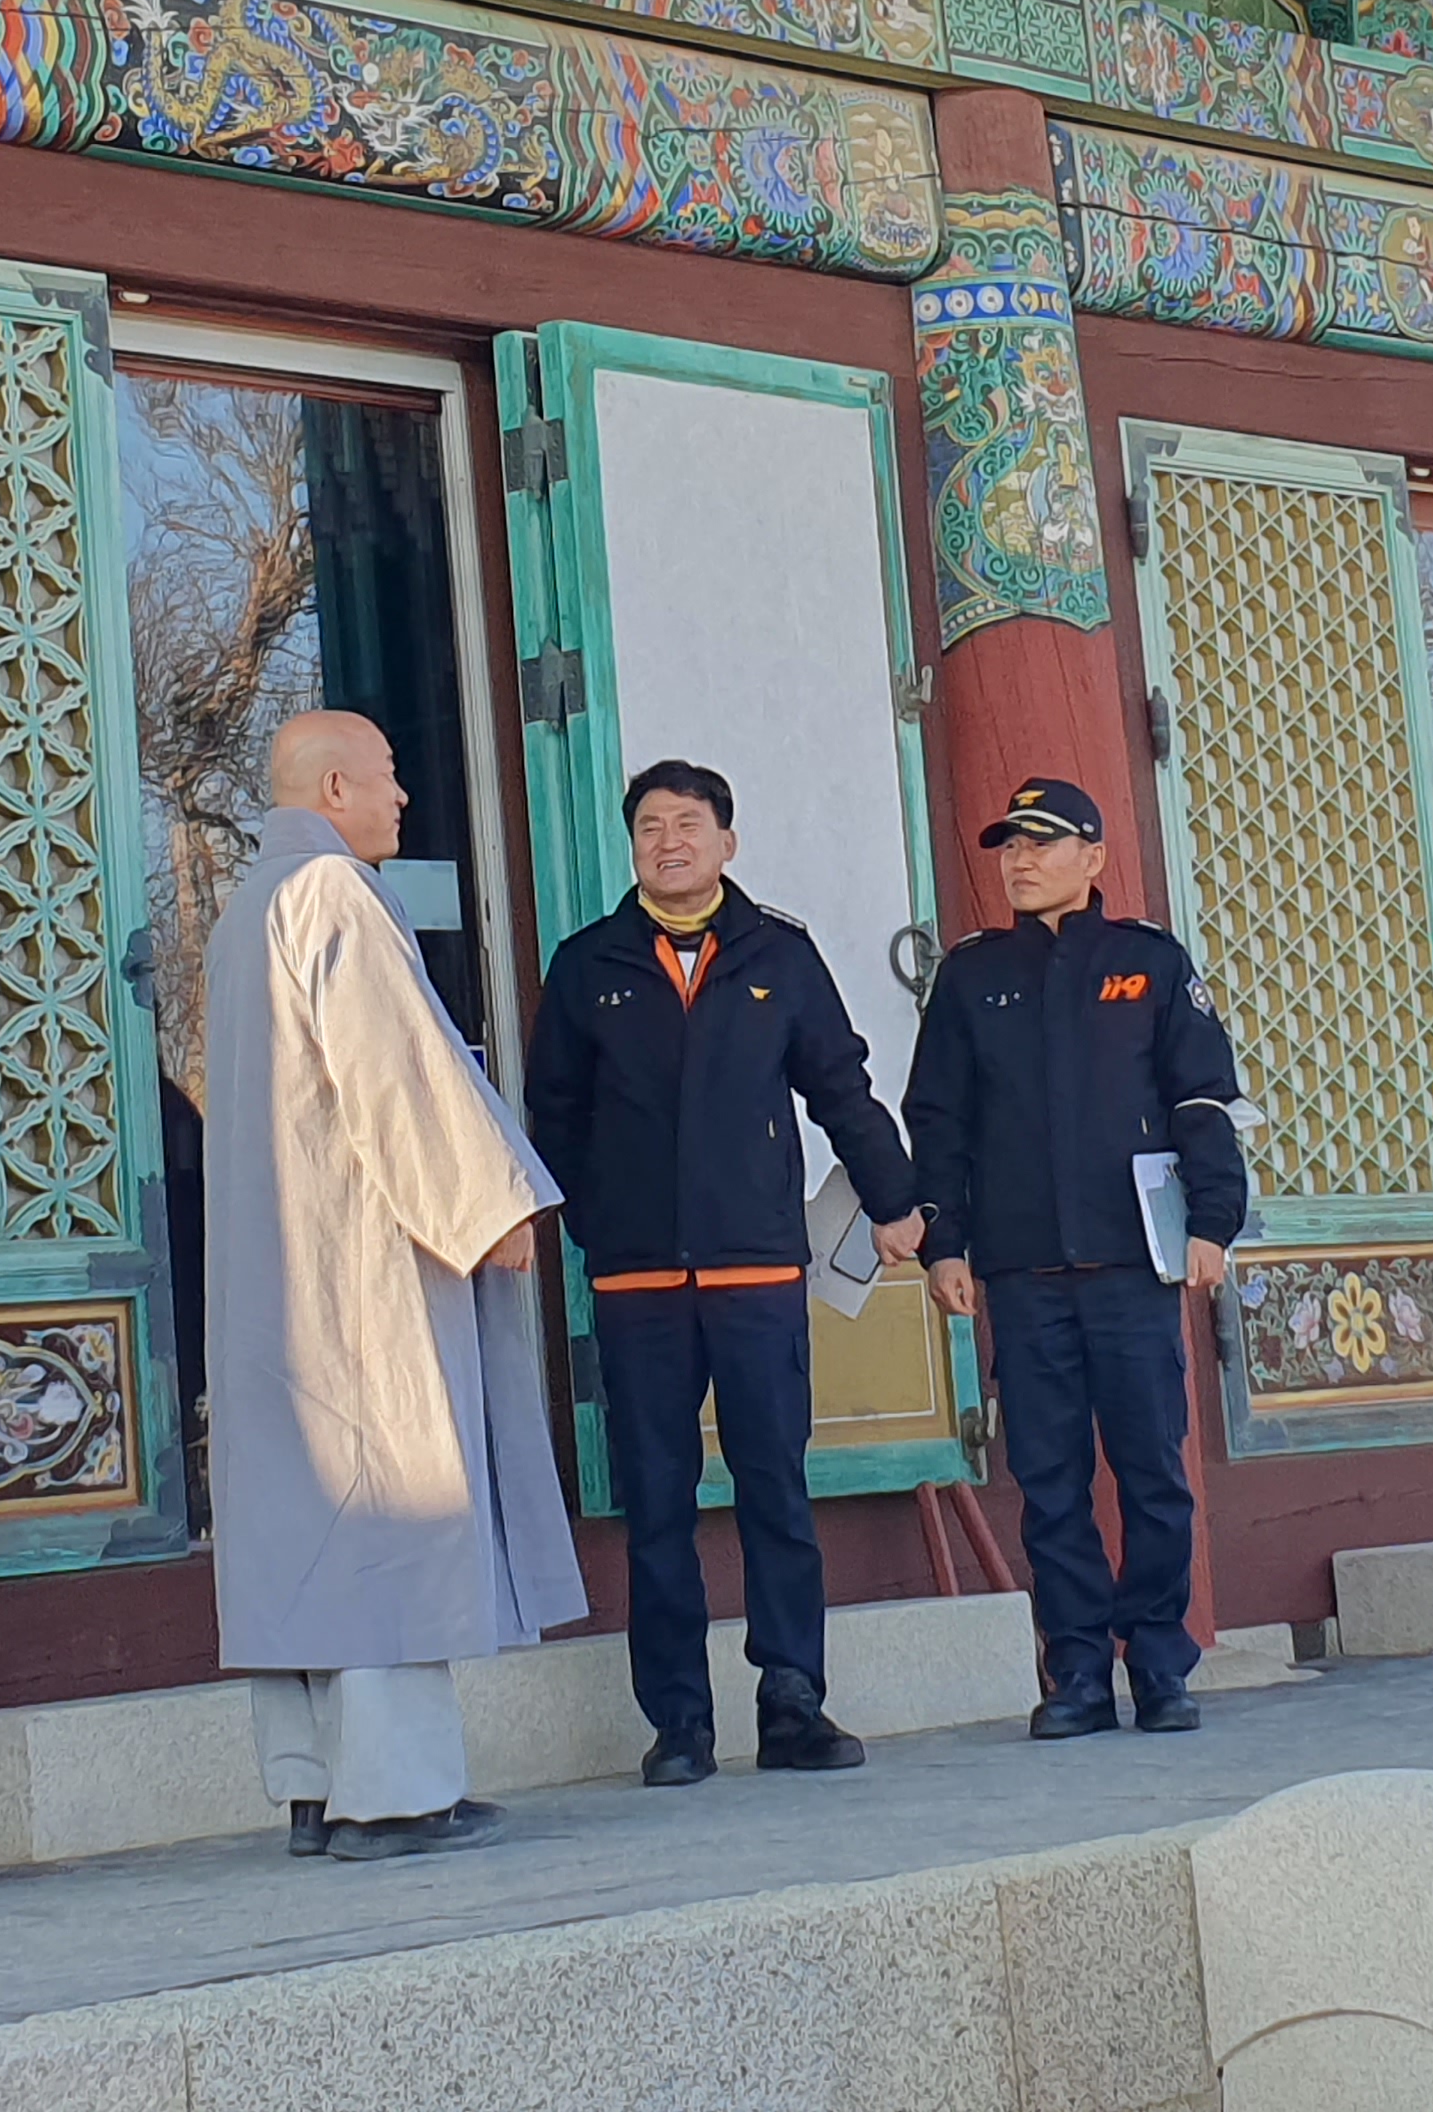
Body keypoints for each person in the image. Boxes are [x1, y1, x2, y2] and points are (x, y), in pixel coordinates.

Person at [205, 708, 586, 1859]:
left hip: (279, 1276)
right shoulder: (333, 894)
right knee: (382, 1512)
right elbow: (396, 1077)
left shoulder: (245, 905)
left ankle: (315, 1787)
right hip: (356, 1270)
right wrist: (486, 1208)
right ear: (335, 788)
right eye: (388, 776)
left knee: (302, 1532)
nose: (405, 798)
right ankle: (395, 1793)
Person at [523, 759, 927, 1788]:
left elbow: (841, 1087)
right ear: (633, 847)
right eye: (651, 827)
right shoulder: (587, 964)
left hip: (755, 1272)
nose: (670, 842)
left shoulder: (778, 956)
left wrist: (896, 1201)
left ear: (726, 842)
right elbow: (552, 1114)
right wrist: (597, 1223)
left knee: (774, 1490)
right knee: (656, 1502)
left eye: (689, 824)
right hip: (639, 1282)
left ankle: (792, 1701)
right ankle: (679, 1724)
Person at [905, 778, 1248, 1739]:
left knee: (1152, 1473)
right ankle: (1078, 1673)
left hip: (1132, 1267)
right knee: (1049, 1481)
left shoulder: (1148, 962)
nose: (1019, 860)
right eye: (1009, 845)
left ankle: (1161, 1663)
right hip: (1023, 1272)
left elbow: (1202, 1098)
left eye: (1042, 843)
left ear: (1093, 858)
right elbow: (939, 1119)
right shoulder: (973, 976)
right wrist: (943, 1242)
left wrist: (1213, 1222)